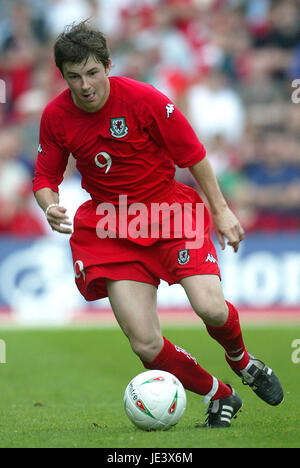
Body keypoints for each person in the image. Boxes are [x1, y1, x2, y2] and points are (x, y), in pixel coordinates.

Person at [33, 21, 283, 428]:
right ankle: (221, 395)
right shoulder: (56, 116)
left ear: (108, 66)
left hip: (169, 213)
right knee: (145, 344)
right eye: (74, 77)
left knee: (211, 309)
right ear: (63, 77)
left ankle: (242, 361)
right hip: (112, 227)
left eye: (93, 73)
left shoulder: (145, 100)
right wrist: (49, 205)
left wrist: (220, 210)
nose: (86, 86)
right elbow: (45, 177)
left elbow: (194, 154)